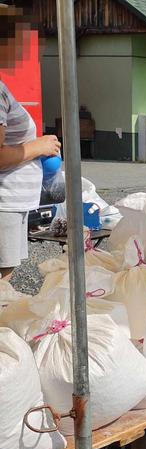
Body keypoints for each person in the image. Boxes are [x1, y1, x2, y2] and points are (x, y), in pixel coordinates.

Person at [0, 5, 60, 280]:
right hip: (4, 203)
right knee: (2, 279)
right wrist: (40, 146)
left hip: (12, 203)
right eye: (20, 42)